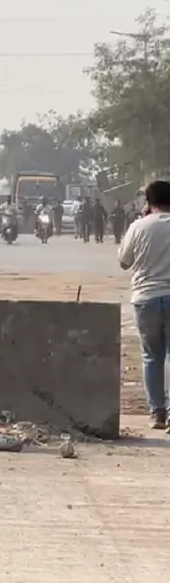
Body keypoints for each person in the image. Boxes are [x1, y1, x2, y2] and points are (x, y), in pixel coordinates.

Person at [117, 180, 170, 431]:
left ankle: (157, 414)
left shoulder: (138, 226)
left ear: (148, 203)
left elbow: (124, 261)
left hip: (145, 298)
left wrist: (140, 222)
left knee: (151, 356)